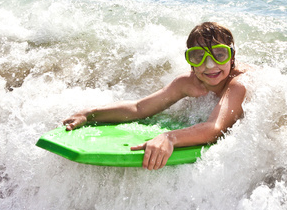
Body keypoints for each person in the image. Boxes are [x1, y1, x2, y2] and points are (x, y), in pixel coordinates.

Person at [62, 22, 247, 170]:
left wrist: (169, 137)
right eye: (199, 56)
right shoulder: (188, 83)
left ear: (232, 57)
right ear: (190, 63)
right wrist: (89, 114)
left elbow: (215, 128)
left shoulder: (240, 84)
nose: (210, 65)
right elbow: (139, 108)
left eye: (219, 55)